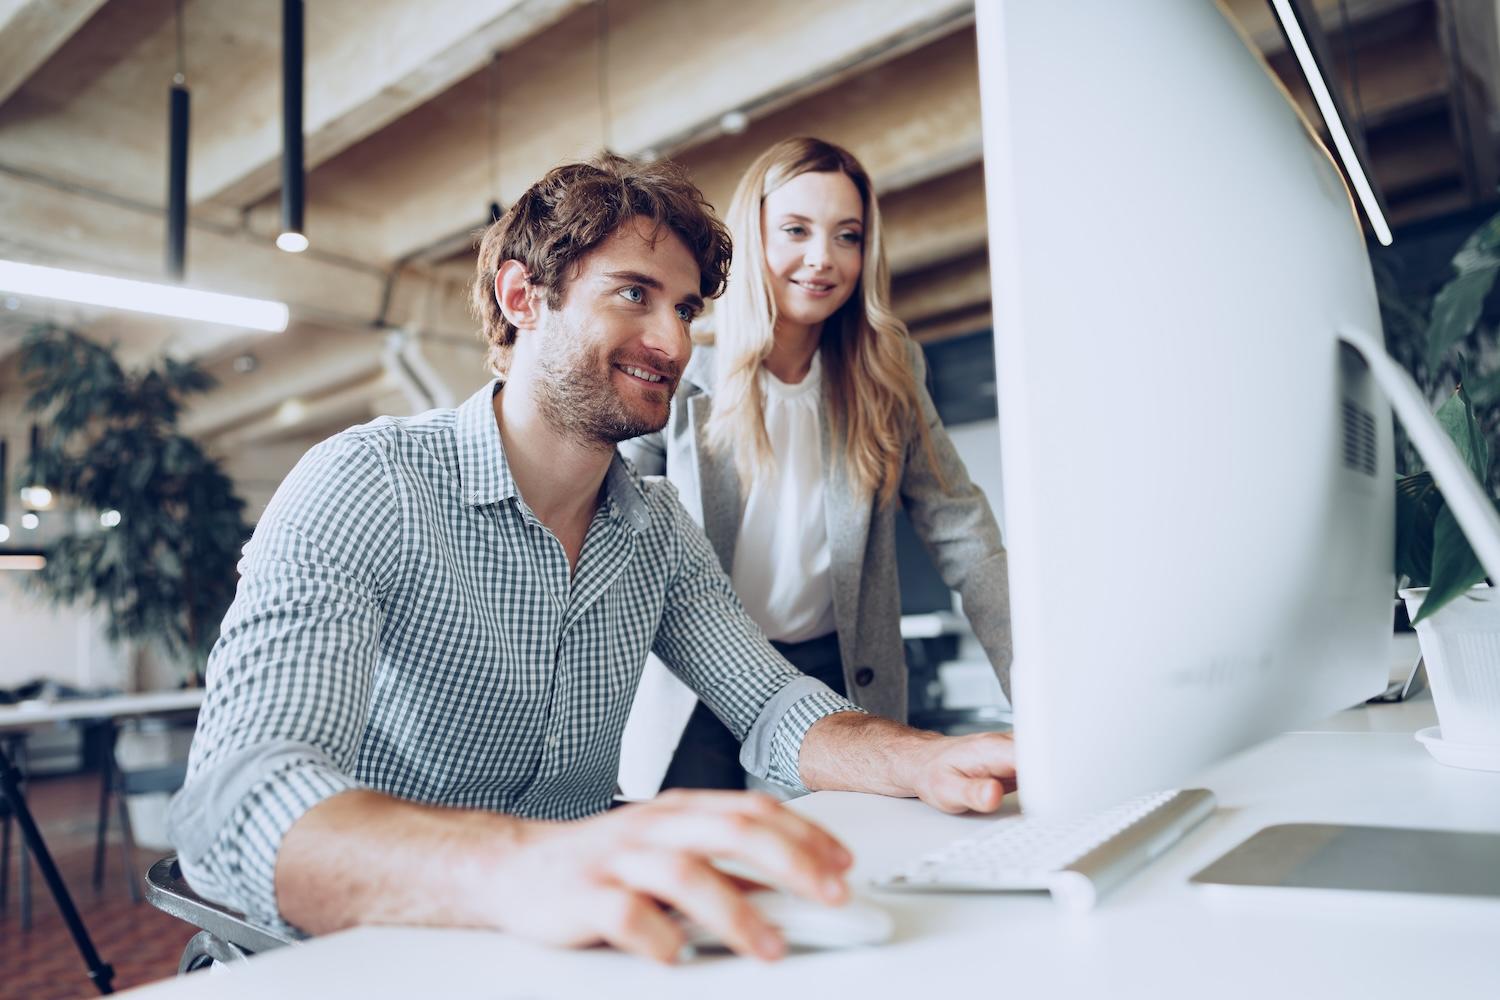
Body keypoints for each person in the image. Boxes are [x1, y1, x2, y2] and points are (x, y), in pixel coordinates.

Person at [168, 153, 1018, 965]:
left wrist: (926, 759)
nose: (672, 342)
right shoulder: (366, 481)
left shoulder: (654, 526)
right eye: (633, 294)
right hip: (370, 950)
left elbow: (772, 706)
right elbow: (233, 808)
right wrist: (525, 867)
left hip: (564, 948)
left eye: (685, 310)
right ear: (522, 296)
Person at [620, 137, 1012, 792]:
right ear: (756, 235)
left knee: (840, 867)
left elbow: (964, 535)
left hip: (833, 675)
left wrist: (1032, 685)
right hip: (697, 679)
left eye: (847, 235)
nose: (822, 259)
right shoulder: (683, 366)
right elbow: (613, 521)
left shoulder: (889, 374)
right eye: (796, 230)